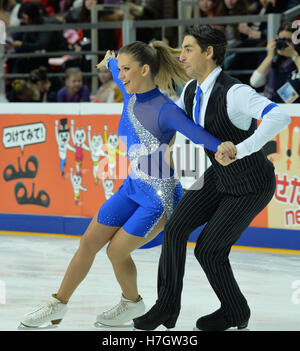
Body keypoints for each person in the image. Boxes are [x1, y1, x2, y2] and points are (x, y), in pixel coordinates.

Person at [20, 40, 222, 328]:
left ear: (144, 70)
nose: (122, 76)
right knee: (88, 242)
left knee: (116, 250)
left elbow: (197, 133)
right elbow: (114, 66)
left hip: (159, 198)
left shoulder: (165, 109)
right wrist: (110, 62)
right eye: (122, 70)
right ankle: (57, 304)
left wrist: (223, 147)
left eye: (128, 70)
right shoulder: (131, 93)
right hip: (133, 186)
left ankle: (131, 302)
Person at [133, 24, 291, 331]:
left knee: (209, 248)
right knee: (176, 227)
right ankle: (166, 308)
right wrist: (167, 145)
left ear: (209, 53)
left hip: (251, 183)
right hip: (219, 177)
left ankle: (235, 311)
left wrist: (242, 149)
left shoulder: (235, 92)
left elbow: (279, 116)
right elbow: (172, 121)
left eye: (189, 49)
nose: (182, 57)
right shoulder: (192, 91)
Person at [250, 21, 300, 103]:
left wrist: (294, 56)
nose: (285, 43)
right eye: (281, 39)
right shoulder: (270, 58)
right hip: (272, 104)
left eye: (289, 40)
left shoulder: (298, 58)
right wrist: (270, 56)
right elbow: (255, 82)